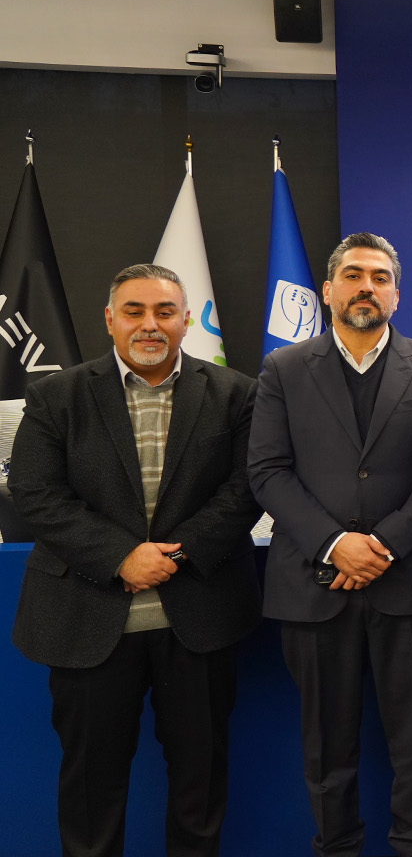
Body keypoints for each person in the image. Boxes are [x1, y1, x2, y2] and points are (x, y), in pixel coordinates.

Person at [9, 264, 259, 857]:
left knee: (200, 783)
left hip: (199, 616)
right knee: (90, 790)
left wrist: (177, 555)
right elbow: (34, 492)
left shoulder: (237, 394)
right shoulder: (57, 395)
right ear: (109, 319)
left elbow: (248, 487)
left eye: (165, 312)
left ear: (186, 320)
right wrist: (121, 557)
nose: (150, 324)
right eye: (134, 311)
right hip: (86, 618)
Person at [250, 232, 412, 857]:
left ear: (396, 295)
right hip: (314, 586)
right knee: (327, 746)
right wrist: (334, 543)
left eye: (379, 277)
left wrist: (383, 546)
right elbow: (266, 470)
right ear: (327, 291)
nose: (365, 286)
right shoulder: (283, 369)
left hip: (410, 584)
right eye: (352, 275)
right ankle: (337, 847)